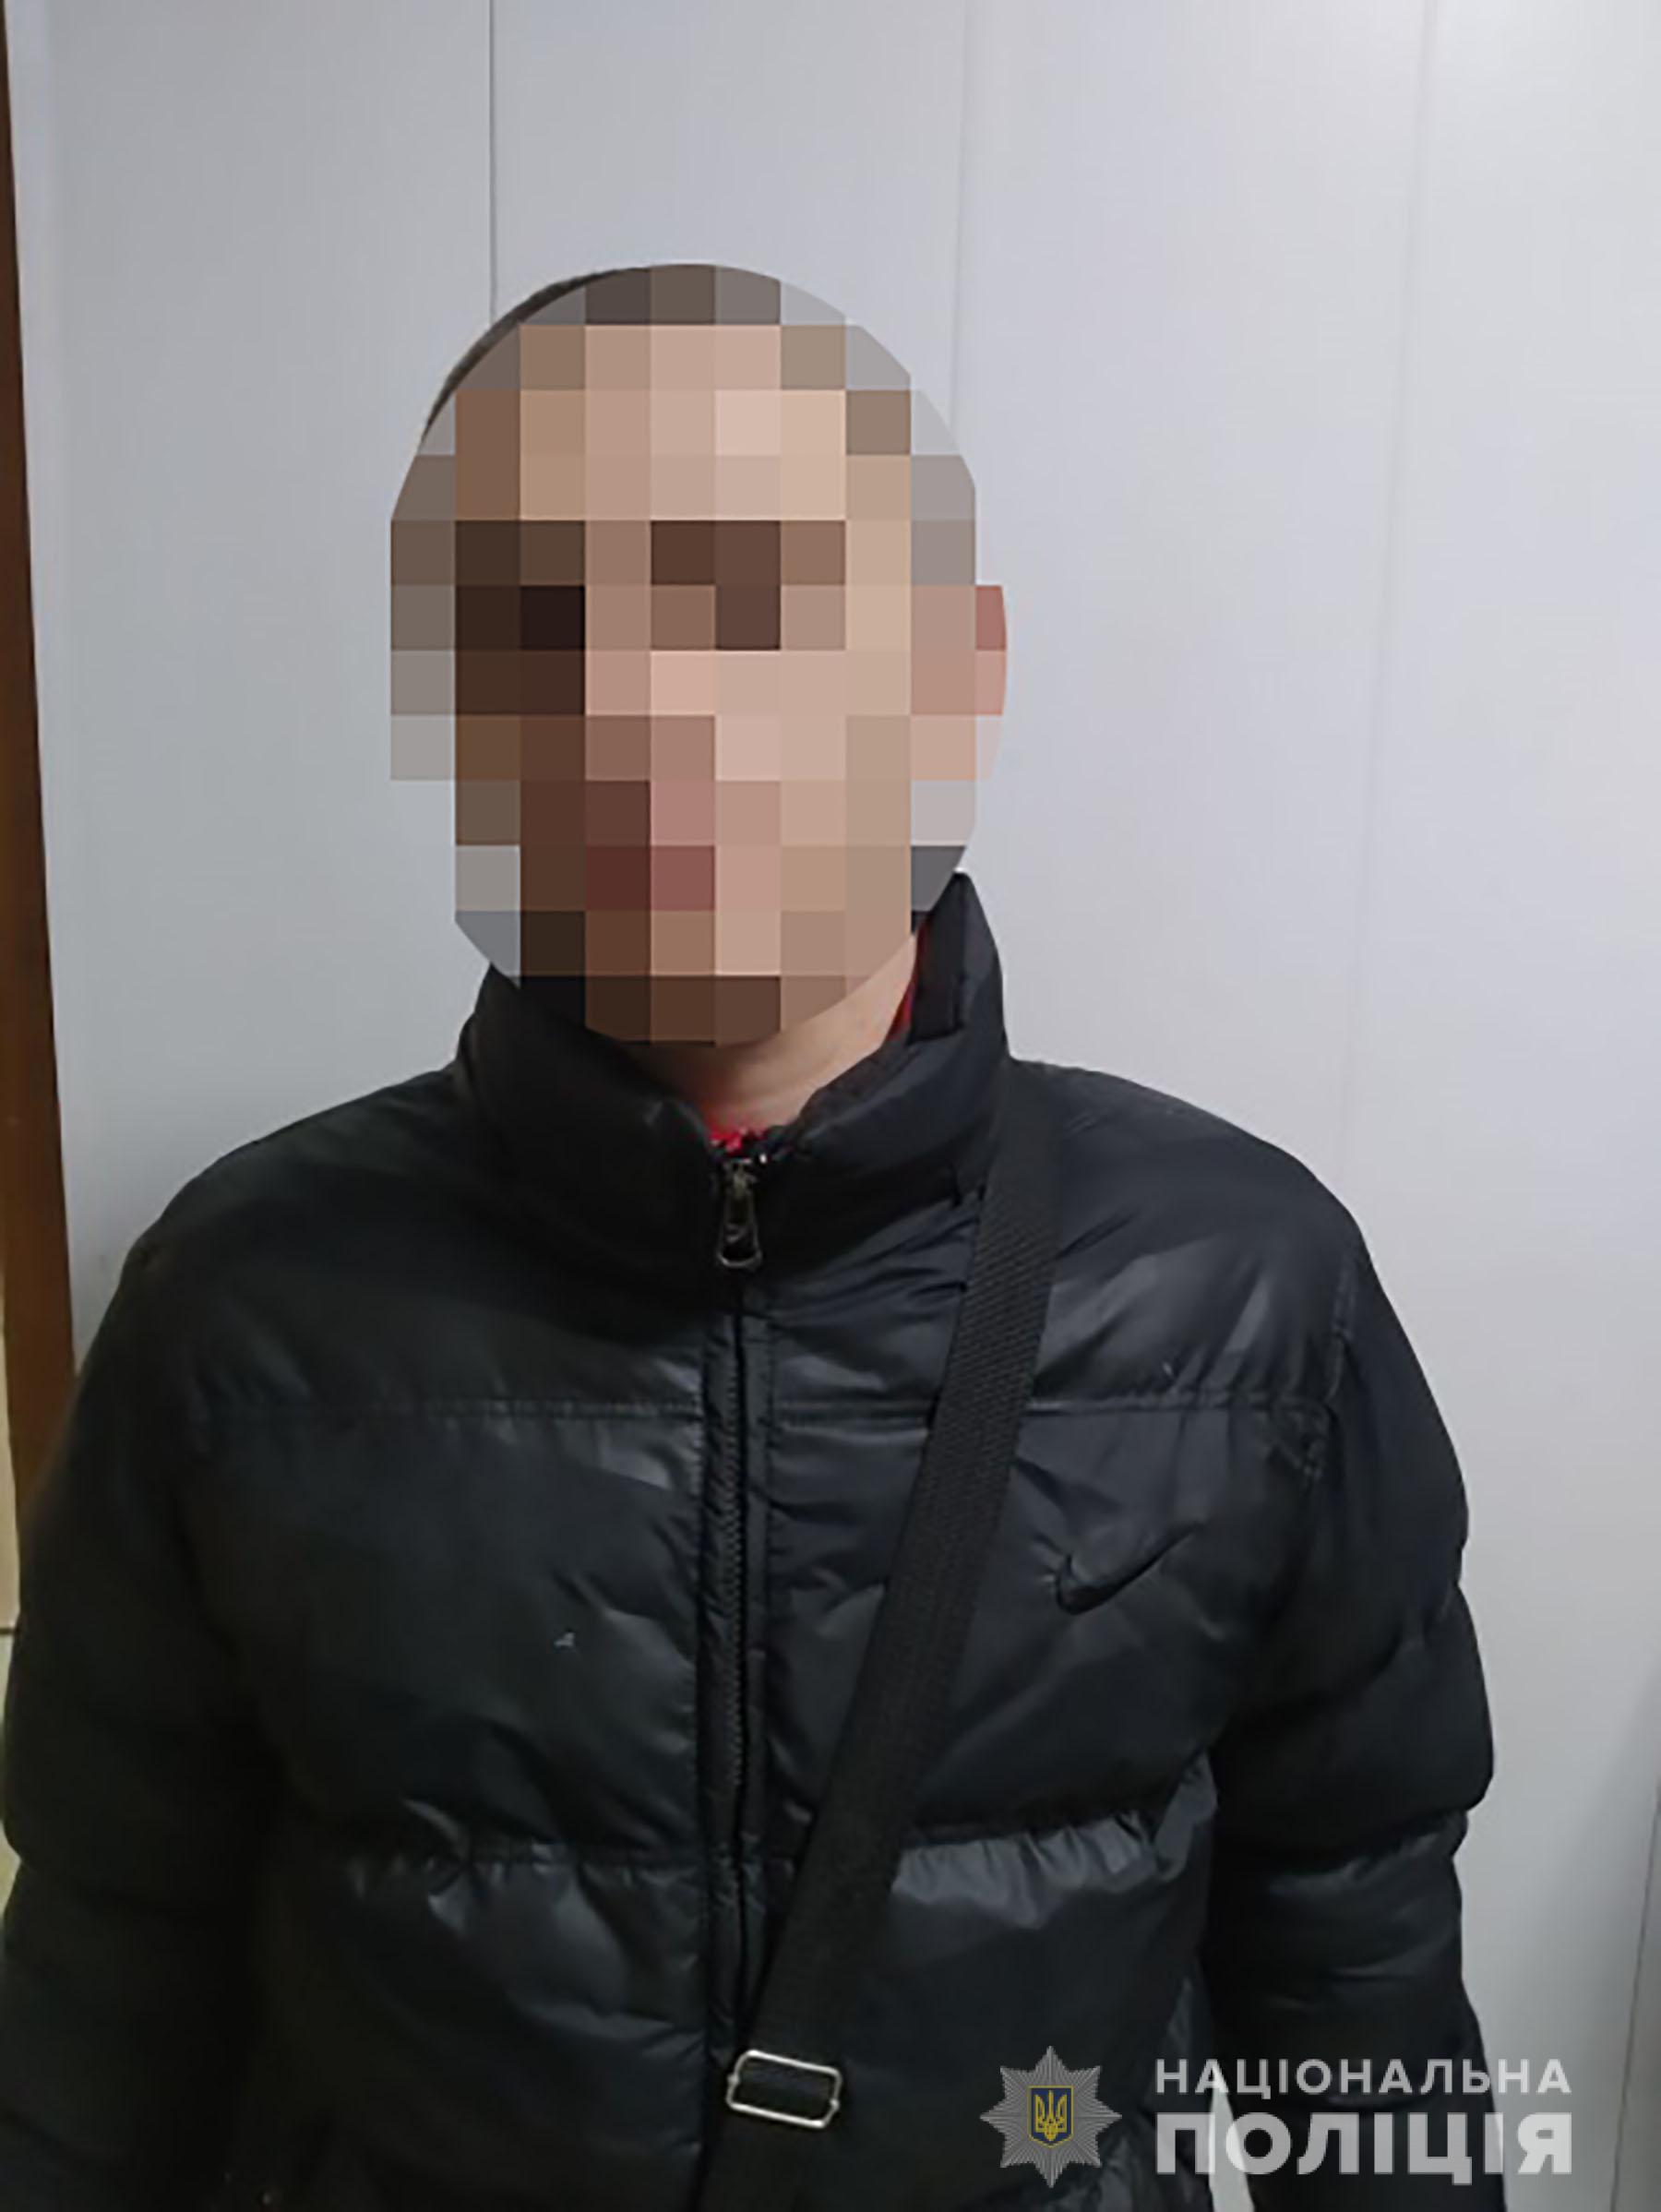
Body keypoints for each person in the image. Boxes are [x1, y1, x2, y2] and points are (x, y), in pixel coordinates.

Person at [0, 264, 1502, 2211]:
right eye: (536, 622)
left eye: (752, 601)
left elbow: (1361, 1997)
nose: (642, 703)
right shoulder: (242, 1310)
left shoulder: (1249, 1294)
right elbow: (100, 2003)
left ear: (957, 666)